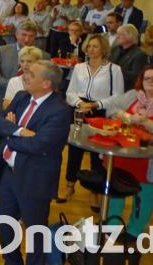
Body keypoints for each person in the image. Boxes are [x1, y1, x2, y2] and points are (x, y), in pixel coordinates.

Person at [0, 60, 71, 265]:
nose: (25, 75)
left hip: (35, 178)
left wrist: (10, 134)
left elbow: (38, 144)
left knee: (36, 232)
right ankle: (12, 262)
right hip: (10, 174)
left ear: (46, 84)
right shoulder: (21, 96)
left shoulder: (60, 111)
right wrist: (19, 131)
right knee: (4, 224)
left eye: (32, 74)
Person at [97, 65, 153, 240]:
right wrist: (126, 117)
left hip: (150, 161)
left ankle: (134, 231)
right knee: (115, 192)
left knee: (143, 197)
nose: (150, 81)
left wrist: (145, 121)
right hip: (121, 154)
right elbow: (111, 110)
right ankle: (111, 228)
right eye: (146, 78)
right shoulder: (132, 95)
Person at [59, 34, 124, 208]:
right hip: (79, 108)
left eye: (95, 46)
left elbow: (118, 96)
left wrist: (96, 104)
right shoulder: (79, 67)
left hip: (100, 111)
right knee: (74, 149)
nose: (91, 49)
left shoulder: (114, 70)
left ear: (103, 49)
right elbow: (70, 92)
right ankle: (69, 186)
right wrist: (81, 103)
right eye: (89, 46)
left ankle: (95, 192)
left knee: (97, 153)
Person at [0, 20, 51, 112]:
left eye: (31, 36)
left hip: (32, 102)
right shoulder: (2, 51)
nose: (27, 39)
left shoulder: (44, 56)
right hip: (1, 98)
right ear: (16, 34)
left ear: (35, 36)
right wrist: (13, 86)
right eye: (24, 35)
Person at [110, 24, 148, 91]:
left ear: (130, 36)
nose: (117, 36)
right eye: (117, 34)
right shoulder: (115, 49)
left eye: (120, 34)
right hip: (110, 85)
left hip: (127, 89)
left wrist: (116, 70)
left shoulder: (139, 54)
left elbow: (136, 76)